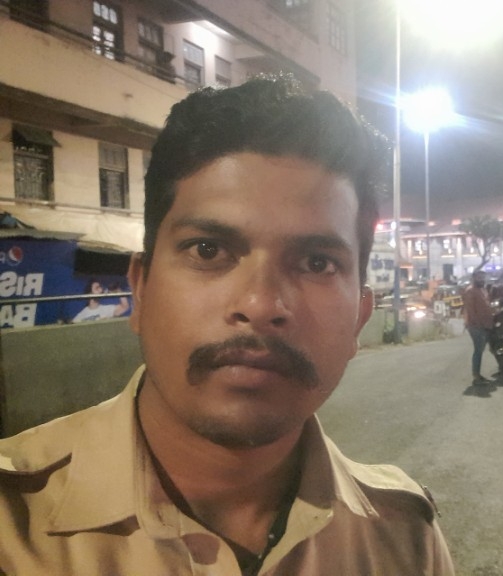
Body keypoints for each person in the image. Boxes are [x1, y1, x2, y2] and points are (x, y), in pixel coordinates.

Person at [0, 75, 454, 575]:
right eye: (208, 250)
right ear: (141, 290)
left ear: (360, 318)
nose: (260, 304)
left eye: (317, 263)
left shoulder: (405, 541)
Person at [462, 269, 494, 385]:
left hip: (485, 324)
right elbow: (471, 310)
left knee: (482, 349)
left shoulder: (483, 290)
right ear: (474, 278)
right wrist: (478, 324)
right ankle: (476, 376)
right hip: (476, 325)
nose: (482, 280)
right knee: (478, 350)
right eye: (479, 277)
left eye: (483, 277)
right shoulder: (470, 291)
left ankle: (478, 375)